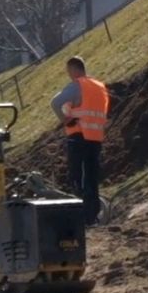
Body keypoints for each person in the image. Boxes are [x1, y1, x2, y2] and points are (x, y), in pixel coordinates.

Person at [50, 56, 110, 226]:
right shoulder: (100, 87)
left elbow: (55, 103)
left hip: (79, 137)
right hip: (95, 138)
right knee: (91, 177)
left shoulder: (78, 86)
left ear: (74, 69)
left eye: (69, 71)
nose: (69, 75)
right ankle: (92, 215)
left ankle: (83, 218)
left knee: (78, 177)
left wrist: (65, 119)